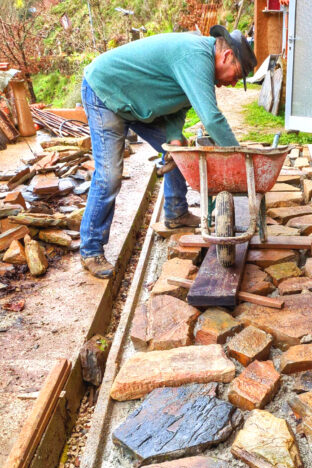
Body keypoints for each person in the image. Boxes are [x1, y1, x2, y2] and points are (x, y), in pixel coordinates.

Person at [79, 25, 257, 278]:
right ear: (227, 56)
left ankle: (176, 213)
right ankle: (90, 250)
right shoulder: (195, 56)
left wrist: (174, 139)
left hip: (138, 102)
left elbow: (179, 103)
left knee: (179, 153)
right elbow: (212, 118)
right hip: (106, 92)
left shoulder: (200, 63)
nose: (232, 83)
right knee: (109, 176)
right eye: (236, 75)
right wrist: (241, 158)